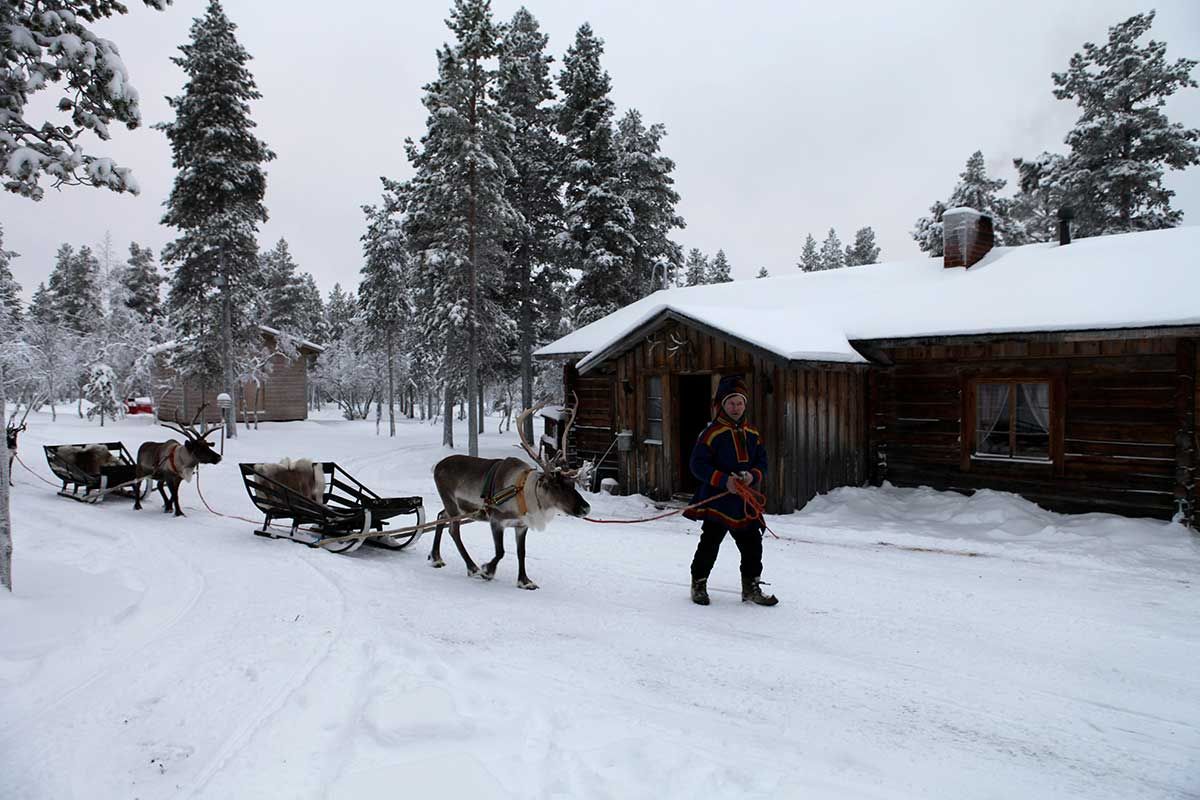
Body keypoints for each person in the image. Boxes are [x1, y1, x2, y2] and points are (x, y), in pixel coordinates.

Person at [684, 374, 778, 606]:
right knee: (710, 543)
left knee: (752, 545)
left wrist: (751, 476)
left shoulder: (753, 434)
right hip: (718, 500)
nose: (735, 407)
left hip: (743, 503)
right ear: (721, 405)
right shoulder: (711, 434)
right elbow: (697, 465)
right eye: (730, 403)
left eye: (739, 403)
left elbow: (762, 463)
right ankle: (699, 584)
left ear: (745, 405)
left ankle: (751, 587)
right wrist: (724, 480)